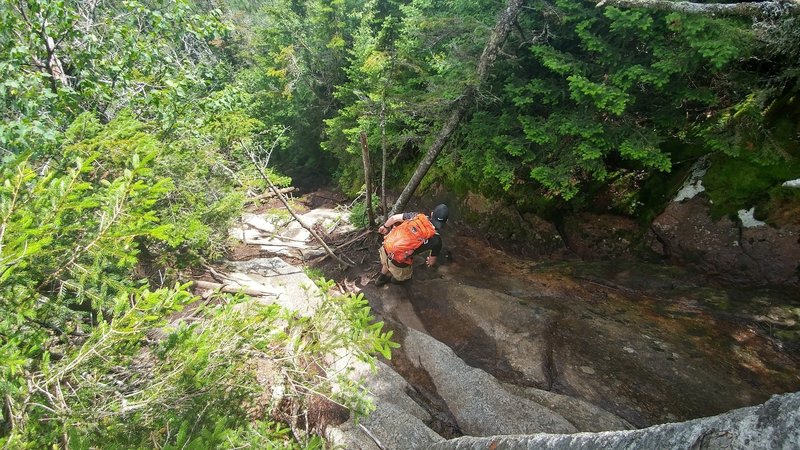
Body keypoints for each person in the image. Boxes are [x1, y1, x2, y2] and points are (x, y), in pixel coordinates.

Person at [374, 204, 449, 287]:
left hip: (386, 248)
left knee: (387, 262)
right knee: (404, 276)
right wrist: (430, 262)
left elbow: (393, 218)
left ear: (432, 214)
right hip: (398, 261)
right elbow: (431, 262)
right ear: (446, 222)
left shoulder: (416, 216)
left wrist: (385, 226)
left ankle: (381, 278)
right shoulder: (437, 241)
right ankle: (394, 280)